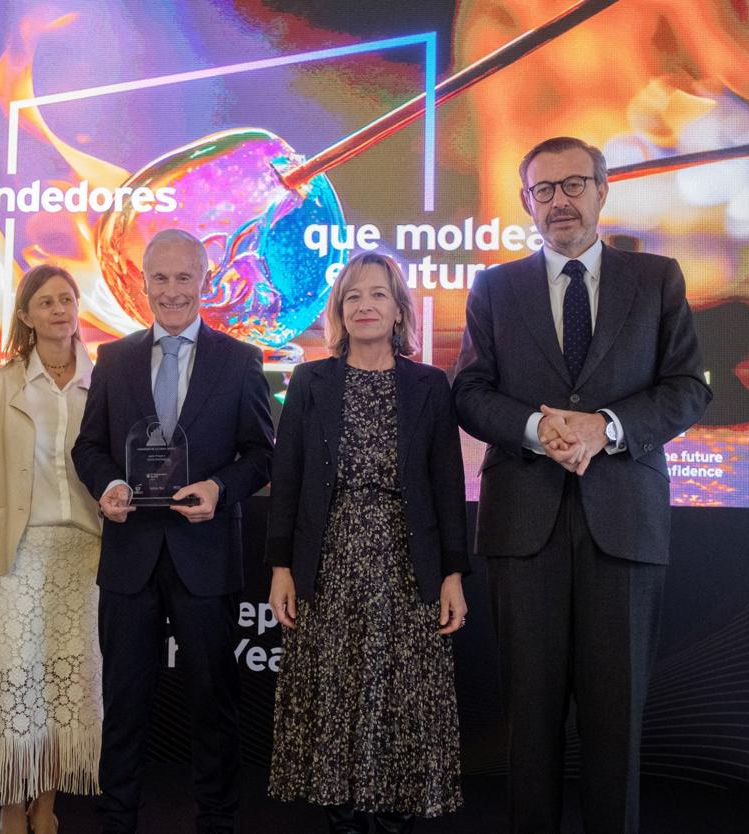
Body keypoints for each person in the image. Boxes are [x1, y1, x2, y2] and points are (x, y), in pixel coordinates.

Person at [452, 136, 712, 833]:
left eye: (574, 184)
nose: (560, 200)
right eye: (545, 189)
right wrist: (539, 429)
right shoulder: (494, 288)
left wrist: (608, 427)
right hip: (523, 529)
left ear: (603, 190)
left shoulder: (657, 279)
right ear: (526, 203)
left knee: (615, 721)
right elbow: (470, 394)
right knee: (529, 719)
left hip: (624, 527)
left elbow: (688, 389)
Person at [71, 229, 274, 834]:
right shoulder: (115, 358)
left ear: (205, 282)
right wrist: (106, 486)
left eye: (185, 277)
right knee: (126, 704)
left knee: (214, 703)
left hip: (205, 556)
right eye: (160, 277)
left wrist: (220, 488)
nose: (172, 290)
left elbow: (261, 454)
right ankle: (117, 821)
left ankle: (216, 821)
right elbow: (88, 449)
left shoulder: (240, 360)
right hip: (130, 556)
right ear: (143, 283)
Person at [265, 252, 468, 834]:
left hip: (408, 562)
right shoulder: (310, 380)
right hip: (329, 559)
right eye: (353, 296)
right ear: (338, 310)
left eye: (378, 295)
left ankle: (393, 817)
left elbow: (447, 485)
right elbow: (291, 476)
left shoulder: (429, 384)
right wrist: (281, 567)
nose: (365, 306)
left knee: (400, 692)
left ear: (399, 309)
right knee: (335, 689)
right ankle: (344, 816)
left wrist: (453, 574)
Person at [0, 264, 103, 834]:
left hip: (84, 554)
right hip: (9, 554)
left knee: (69, 682)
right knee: (14, 682)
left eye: (67, 298)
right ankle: (13, 805)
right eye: (46, 302)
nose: (59, 309)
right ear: (26, 315)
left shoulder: (106, 382)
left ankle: (48, 804)